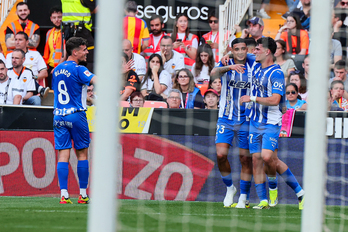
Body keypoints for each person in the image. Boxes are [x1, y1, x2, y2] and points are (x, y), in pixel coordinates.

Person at [240, 37, 304, 210]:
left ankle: (278, 187)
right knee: (256, 159)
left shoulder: (275, 73)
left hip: (271, 121)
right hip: (254, 120)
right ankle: (264, 201)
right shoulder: (255, 65)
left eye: (257, 49)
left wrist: (251, 98)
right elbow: (240, 54)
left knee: (268, 157)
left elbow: (275, 99)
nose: (254, 51)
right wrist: (226, 60)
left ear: (267, 51)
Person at [210, 38, 254, 208]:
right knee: (220, 155)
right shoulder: (225, 64)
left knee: (245, 158)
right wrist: (229, 65)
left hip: (246, 119)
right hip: (225, 118)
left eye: (243, 48)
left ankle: (243, 197)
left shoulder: (253, 63)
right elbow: (213, 73)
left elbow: (262, 56)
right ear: (232, 50)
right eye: (237, 49)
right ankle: (230, 188)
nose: (241, 52)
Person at [52, 37, 95, 204]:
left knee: (63, 155)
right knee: (82, 154)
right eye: (84, 49)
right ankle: (83, 195)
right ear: (75, 52)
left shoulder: (56, 69)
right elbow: (97, 81)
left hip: (59, 116)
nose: (87, 52)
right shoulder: (79, 69)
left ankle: (64, 194)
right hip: (76, 115)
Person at [6, 32, 49, 104]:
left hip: (29, 87)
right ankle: (40, 89)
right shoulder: (9, 55)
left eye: (20, 40)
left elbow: (44, 72)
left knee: (36, 99)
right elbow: (7, 73)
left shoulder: (35, 54)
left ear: (27, 42)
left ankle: (36, 115)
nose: (17, 42)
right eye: (15, 40)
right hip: (12, 89)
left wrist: (32, 77)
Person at [61, 0, 96, 72]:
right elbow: (96, 9)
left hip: (68, 31)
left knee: (71, 56)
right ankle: (88, 80)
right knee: (89, 58)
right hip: (82, 31)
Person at [43, 6, 65, 89]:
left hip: (61, 67)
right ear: (51, 19)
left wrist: (57, 67)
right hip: (50, 66)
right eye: (54, 17)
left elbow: (66, 52)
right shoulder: (49, 32)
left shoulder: (66, 32)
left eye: (59, 17)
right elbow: (47, 52)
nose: (57, 20)